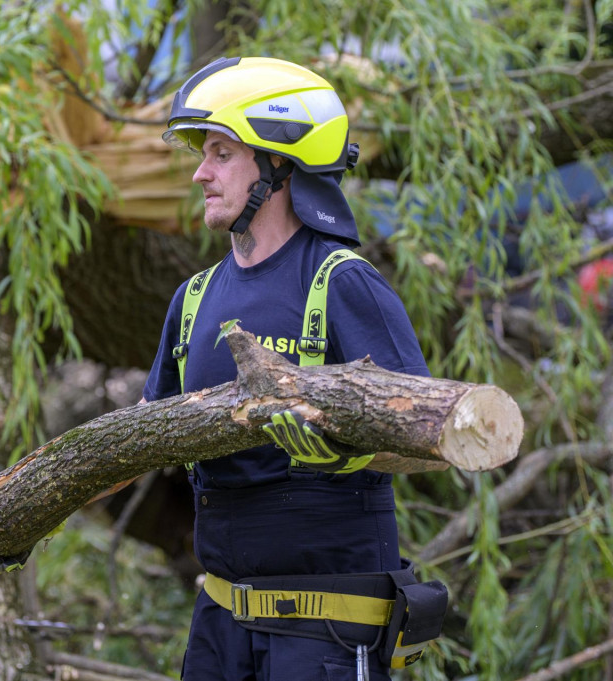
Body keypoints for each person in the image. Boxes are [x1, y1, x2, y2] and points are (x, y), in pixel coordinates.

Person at [143, 57, 433, 679]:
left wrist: (345, 452)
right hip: (221, 627)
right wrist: (30, 507)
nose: (200, 173)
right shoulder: (192, 299)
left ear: (278, 162)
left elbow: (432, 440)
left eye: (220, 154)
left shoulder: (343, 283)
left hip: (324, 634)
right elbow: (137, 439)